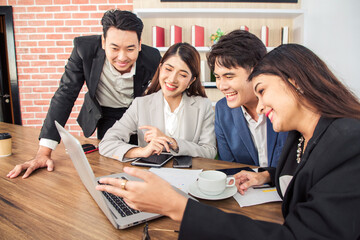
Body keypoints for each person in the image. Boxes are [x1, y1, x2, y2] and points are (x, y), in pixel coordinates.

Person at [96, 44, 360, 239]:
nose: (262, 103)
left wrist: (178, 208)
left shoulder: (349, 141)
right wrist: (266, 175)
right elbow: (312, 175)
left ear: (295, 82)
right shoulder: (300, 137)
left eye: (263, 90)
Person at [6, 9, 161, 179]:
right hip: (106, 114)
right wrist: (44, 152)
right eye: (114, 48)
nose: (122, 57)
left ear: (139, 44)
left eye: (130, 49)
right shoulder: (84, 49)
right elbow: (65, 94)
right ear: (103, 42)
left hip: (138, 116)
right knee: (110, 163)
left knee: (144, 161)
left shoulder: (152, 57)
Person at [99, 42, 216, 160]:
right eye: (168, 69)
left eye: (182, 75)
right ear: (160, 68)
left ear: (191, 81)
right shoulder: (141, 104)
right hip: (150, 174)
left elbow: (209, 151)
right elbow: (107, 143)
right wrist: (142, 151)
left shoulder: (203, 106)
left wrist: (173, 142)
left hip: (190, 175)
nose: (172, 79)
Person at [207, 30, 287, 167]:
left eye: (229, 76)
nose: (221, 86)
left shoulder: (284, 104)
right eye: (218, 77)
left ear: (256, 71)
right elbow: (229, 167)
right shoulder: (223, 110)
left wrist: (268, 177)